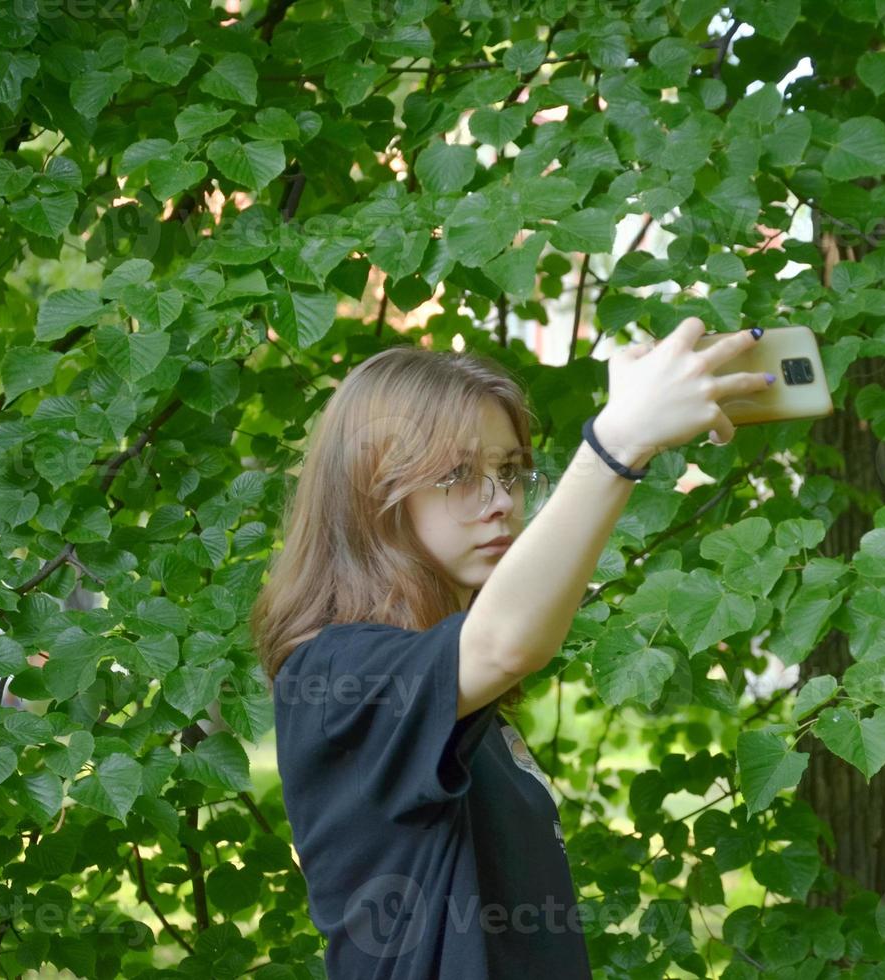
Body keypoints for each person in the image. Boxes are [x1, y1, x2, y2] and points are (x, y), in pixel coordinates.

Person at [252, 317, 774, 979]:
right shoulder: (336, 678)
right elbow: (503, 644)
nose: (499, 501)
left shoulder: (458, 703)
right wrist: (620, 441)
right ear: (371, 491)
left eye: (509, 471)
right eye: (458, 474)